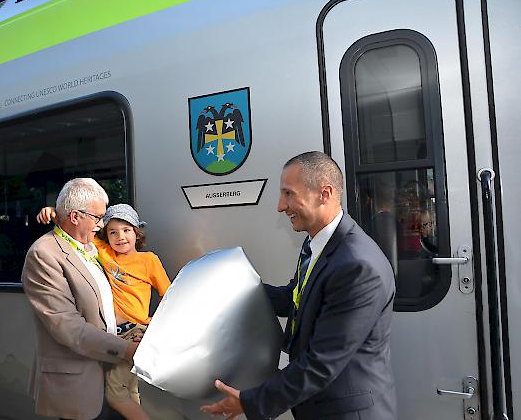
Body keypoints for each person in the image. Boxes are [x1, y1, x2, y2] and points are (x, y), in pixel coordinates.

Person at [201, 151, 397, 420]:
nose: (281, 206)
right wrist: (234, 292)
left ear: (324, 194)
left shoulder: (357, 266)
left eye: (288, 194)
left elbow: (322, 362)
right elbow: (295, 297)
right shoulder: (317, 243)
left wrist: (251, 401)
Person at [37, 203, 171, 420]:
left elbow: (169, 295)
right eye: (113, 232)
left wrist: (153, 328)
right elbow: (76, 234)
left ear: (137, 233)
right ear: (106, 236)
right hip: (112, 333)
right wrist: (55, 214)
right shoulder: (105, 252)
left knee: (115, 394)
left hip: (135, 331)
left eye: (127, 230)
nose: (120, 237)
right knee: (128, 389)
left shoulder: (149, 260)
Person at [22, 178, 139, 420]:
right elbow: (69, 328)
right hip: (80, 388)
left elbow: (103, 305)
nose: (101, 225)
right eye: (97, 218)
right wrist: (127, 350)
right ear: (75, 217)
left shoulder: (91, 247)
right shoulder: (43, 254)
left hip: (111, 376)